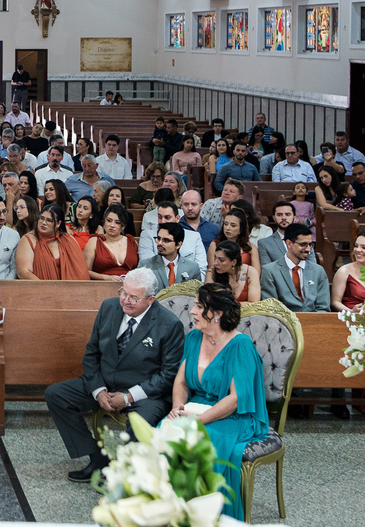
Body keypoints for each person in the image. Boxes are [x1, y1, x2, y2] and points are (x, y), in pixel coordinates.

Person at [44, 268, 185, 481]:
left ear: (151, 299)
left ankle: (127, 473)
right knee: (56, 395)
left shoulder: (169, 324)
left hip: (145, 392)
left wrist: (128, 397)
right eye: (123, 293)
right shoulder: (109, 307)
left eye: (134, 298)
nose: (125, 301)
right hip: (106, 381)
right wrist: (99, 390)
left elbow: (168, 375)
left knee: (140, 422)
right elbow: (91, 354)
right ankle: (98, 459)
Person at [165, 283, 269, 518]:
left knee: (198, 441)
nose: (192, 311)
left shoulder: (240, 345)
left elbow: (236, 399)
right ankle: (168, 511)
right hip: (195, 407)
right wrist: (177, 409)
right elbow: (181, 382)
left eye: (199, 306)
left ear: (217, 314)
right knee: (165, 431)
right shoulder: (194, 338)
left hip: (233, 415)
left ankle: (199, 513)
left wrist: (198, 420)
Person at [259, 223, 330, 312]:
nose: (308, 249)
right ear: (289, 244)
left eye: (310, 244)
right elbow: (271, 309)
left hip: (314, 319)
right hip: (283, 319)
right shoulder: (270, 271)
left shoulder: (318, 271)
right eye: (303, 244)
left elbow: (323, 307)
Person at [16, 203, 89, 280]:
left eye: (49, 220)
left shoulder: (69, 240)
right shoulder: (28, 240)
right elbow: (23, 272)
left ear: (58, 224)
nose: (43, 222)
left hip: (68, 287)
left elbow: (81, 271)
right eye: (41, 218)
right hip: (40, 286)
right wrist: (45, 286)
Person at [138, 222, 204, 289]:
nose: (159, 243)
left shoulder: (192, 267)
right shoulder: (145, 265)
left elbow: (196, 293)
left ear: (178, 245)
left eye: (166, 240)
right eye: (158, 238)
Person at [85, 204, 139, 279]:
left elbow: (139, 270)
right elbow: (86, 271)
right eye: (109, 221)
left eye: (117, 222)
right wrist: (106, 278)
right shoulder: (94, 242)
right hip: (102, 284)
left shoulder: (132, 242)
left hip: (130, 284)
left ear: (123, 226)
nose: (112, 225)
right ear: (104, 222)